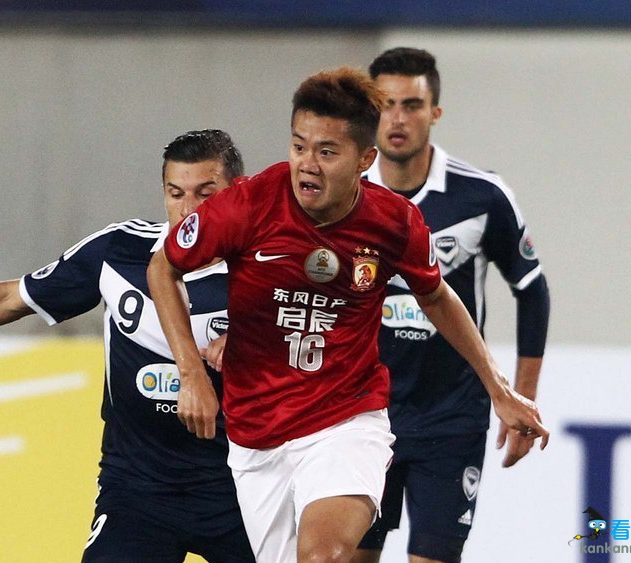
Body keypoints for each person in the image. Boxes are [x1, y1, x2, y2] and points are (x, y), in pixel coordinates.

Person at [147, 68, 548, 563]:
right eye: (299, 146)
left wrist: (500, 389)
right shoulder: (248, 205)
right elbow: (163, 266)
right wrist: (191, 373)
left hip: (346, 421)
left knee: (323, 556)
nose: (307, 164)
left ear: (365, 159)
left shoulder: (394, 222)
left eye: (327, 152)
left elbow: (436, 296)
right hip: (256, 435)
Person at [0, 130, 256, 563]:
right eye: (175, 193)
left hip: (240, 485)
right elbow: (12, 298)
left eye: (205, 194)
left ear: (236, 191)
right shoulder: (118, 251)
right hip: (138, 490)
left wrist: (254, 342)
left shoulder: (269, 270)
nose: (188, 211)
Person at [354, 48, 551, 563]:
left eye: (412, 105)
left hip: (452, 418)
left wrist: (521, 395)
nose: (398, 118)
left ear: (435, 112)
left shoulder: (481, 195)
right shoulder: (345, 194)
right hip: (360, 415)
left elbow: (532, 289)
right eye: (386, 104)